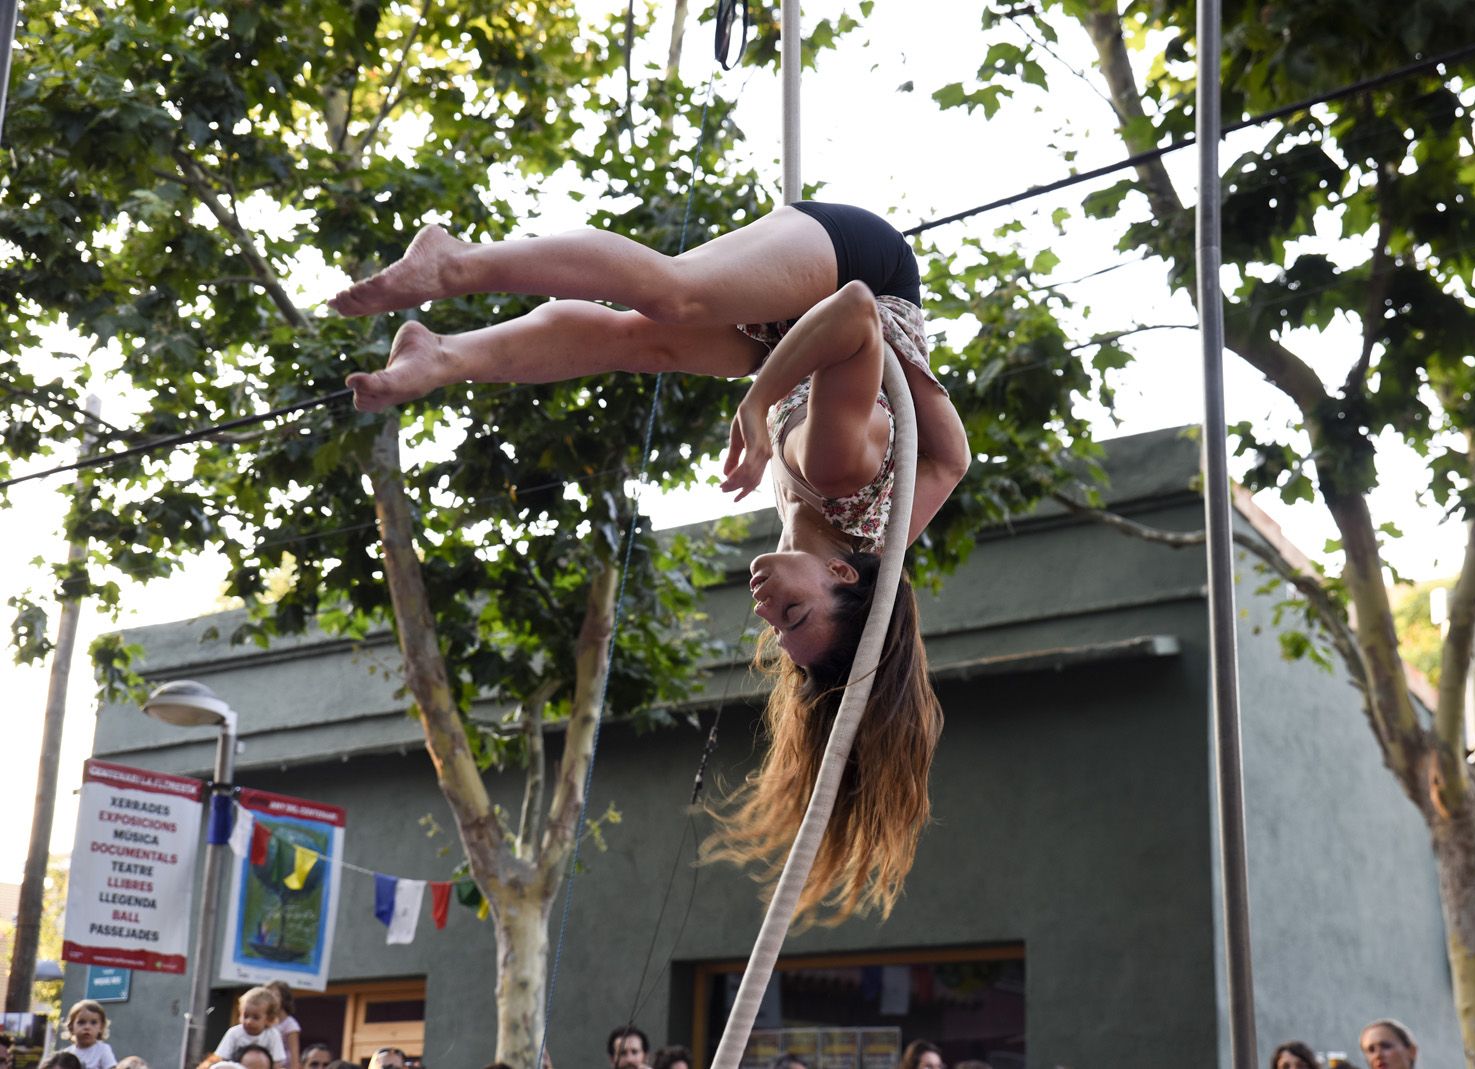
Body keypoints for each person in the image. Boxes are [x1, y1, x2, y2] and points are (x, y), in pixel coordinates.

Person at [332, 202, 967, 922]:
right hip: (861, 269)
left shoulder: (871, 542)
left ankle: (442, 355)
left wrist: (917, 405)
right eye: (793, 613)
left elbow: (950, 459)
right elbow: (853, 311)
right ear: (842, 575)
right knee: (675, 293)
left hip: (800, 339)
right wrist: (758, 405)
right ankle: (452, 262)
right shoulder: (839, 475)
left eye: (777, 631)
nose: (765, 611)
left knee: (646, 343)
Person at [211, 987, 288, 1068]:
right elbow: (222, 1058)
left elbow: (277, 1062)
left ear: (269, 1019)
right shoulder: (234, 1033)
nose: (249, 1021)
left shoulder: (272, 1035)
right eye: (246, 1016)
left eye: (256, 1017)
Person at [63, 1000, 115, 1069]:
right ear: (71, 1026)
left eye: (93, 1023)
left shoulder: (103, 1050)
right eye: (81, 1022)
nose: (87, 1027)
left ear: (101, 1027)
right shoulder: (67, 1053)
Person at [267, 982, 302, 1069]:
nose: (272, 999)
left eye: (276, 995)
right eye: (269, 996)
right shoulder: (266, 1022)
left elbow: (294, 1056)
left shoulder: (290, 1025)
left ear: (284, 998)